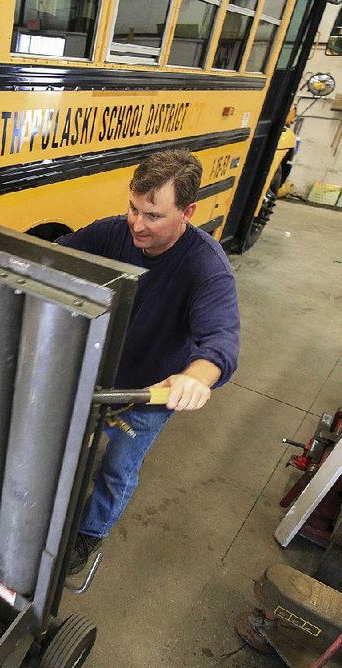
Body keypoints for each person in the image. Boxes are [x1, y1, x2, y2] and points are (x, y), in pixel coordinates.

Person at [57, 148, 240, 573]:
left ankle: (91, 532)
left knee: (117, 468)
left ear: (188, 211)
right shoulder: (111, 233)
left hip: (149, 391)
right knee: (62, 445)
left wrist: (196, 378)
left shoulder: (206, 268)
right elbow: (54, 256)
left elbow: (220, 341)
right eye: (133, 209)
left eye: (154, 216)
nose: (138, 225)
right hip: (95, 372)